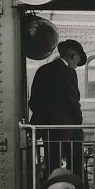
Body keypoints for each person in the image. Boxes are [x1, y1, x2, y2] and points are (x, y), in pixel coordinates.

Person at [28, 39, 86, 175]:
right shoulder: (68, 72)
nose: (76, 66)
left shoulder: (42, 70)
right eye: (77, 61)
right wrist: (78, 123)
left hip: (48, 131)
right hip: (68, 131)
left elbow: (33, 102)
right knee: (75, 168)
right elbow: (73, 102)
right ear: (72, 55)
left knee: (52, 166)